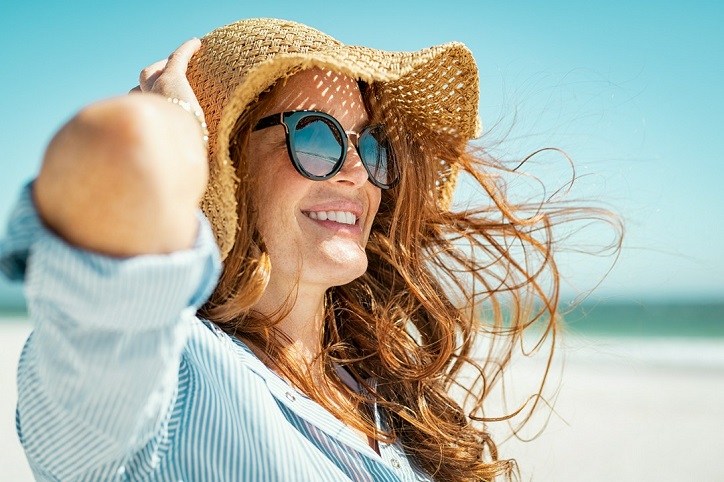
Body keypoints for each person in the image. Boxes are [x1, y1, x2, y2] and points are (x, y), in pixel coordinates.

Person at [0, 17, 610, 481]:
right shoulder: (160, 378)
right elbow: (114, 146)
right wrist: (172, 134)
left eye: (372, 147)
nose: (355, 173)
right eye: (315, 137)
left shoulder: (383, 397)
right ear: (227, 164)